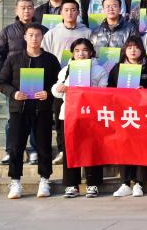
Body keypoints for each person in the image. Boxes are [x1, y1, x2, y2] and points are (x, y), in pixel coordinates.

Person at [0, 23, 60, 199]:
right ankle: (15, 181)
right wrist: (14, 93)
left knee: (44, 146)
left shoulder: (50, 60)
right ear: (25, 37)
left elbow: (59, 82)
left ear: (42, 37)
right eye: (30, 35)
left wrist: (48, 92)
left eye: (37, 35)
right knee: (16, 146)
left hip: (42, 109)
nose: (34, 38)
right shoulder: (14, 59)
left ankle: (44, 180)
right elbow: (1, 81)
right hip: (19, 109)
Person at [52, 38, 107, 198]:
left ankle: (93, 183)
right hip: (69, 114)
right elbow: (56, 90)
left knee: (92, 149)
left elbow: (103, 91)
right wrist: (60, 88)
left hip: (91, 115)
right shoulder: (67, 69)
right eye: (77, 51)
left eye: (84, 50)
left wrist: (87, 89)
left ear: (91, 52)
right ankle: (71, 185)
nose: (80, 54)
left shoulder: (99, 70)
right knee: (70, 149)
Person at [41, 0, 90, 165]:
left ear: (78, 12)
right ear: (61, 12)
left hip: (83, 82)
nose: (70, 13)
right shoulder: (52, 33)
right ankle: (63, 149)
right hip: (60, 81)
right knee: (60, 117)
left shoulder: (86, 32)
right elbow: (45, 55)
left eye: (73, 10)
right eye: (66, 10)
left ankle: (83, 149)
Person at [107, 37, 147, 198]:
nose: (133, 50)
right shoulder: (117, 68)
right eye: (129, 47)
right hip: (123, 113)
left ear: (142, 50)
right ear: (124, 50)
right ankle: (125, 183)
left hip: (143, 114)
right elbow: (109, 89)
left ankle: (139, 183)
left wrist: (145, 90)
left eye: (136, 47)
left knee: (141, 147)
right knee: (124, 146)